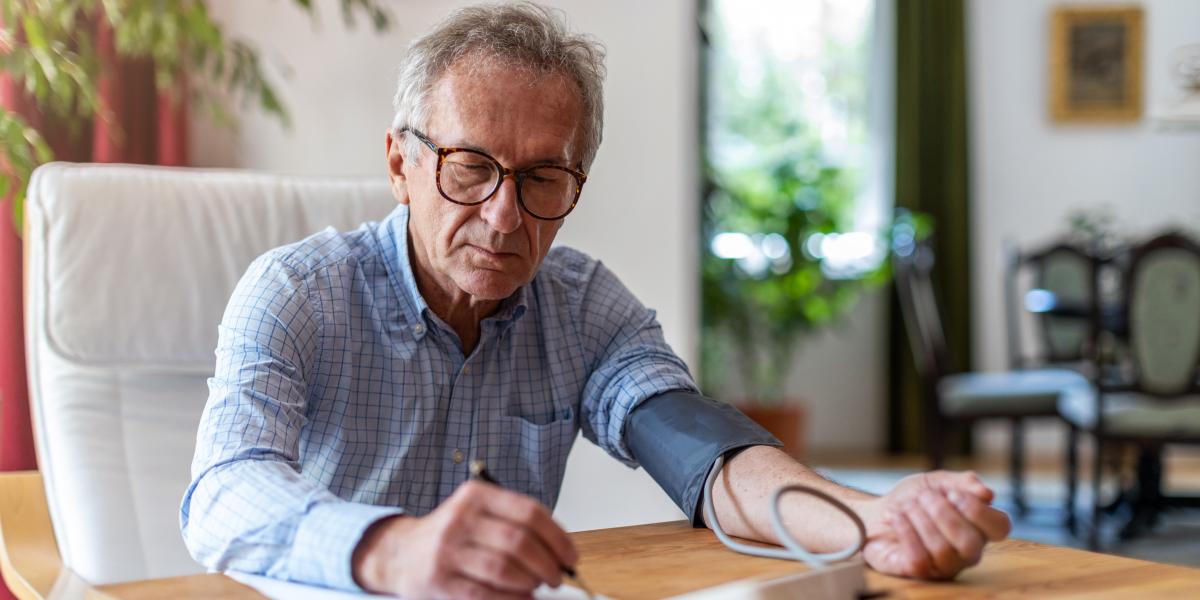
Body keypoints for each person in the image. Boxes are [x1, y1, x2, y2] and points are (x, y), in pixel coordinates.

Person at [180, 3, 1011, 599]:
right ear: (400, 163)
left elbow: (705, 456)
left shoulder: (580, 307)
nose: (504, 217)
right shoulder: (295, 293)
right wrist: (395, 552)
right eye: (469, 167)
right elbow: (223, 492)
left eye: (543, 177)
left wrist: (876, 521)